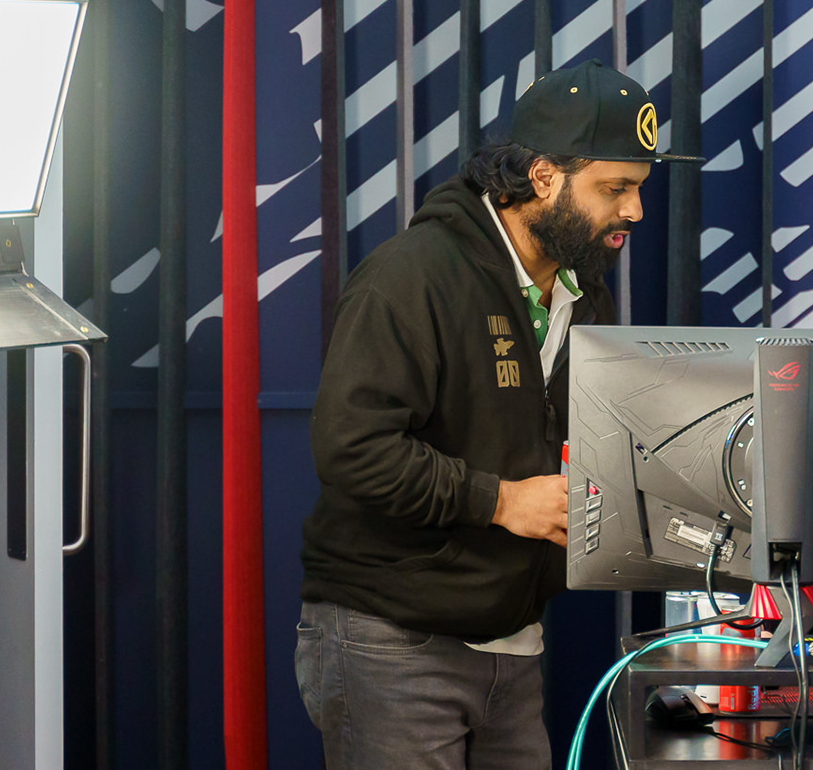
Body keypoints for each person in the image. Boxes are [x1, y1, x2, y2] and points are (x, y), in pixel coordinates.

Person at [295, 60, 698, 769]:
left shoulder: (583, 293)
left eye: (638, 188)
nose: (635, 211)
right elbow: (352, 448)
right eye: (615, 189)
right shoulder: (412, 276)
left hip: (514, 644)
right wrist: (503, 501)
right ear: (543, 177)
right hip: (392, 642)